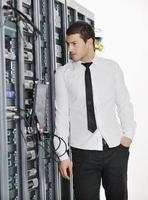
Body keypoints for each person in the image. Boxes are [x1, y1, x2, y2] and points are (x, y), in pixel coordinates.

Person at [54, 21, 136, 200]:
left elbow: (124, 104)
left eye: (74, 43)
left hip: (115, 149)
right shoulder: (63, 74)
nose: (70, 49)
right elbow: (61, 115)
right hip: (83, 153)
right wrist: (62, 155)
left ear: (89, 42)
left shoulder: (111, 68)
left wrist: (128, 136)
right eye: (68, 44)